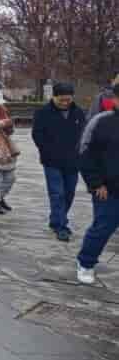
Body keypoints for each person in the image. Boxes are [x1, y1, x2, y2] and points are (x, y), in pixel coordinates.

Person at [76, 83, 119, 285]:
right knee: (103, 227)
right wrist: (96, 183)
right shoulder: (101, 122)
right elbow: (86, 154)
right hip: (107, 188)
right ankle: (86, 263)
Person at [32, 82, 86, 242]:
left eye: (67, 100)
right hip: (52, 161)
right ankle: (61, 226)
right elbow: (37, 135)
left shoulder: (78, 112)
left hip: (73, 161)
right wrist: (47, 151)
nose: (64, 103)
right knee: (57, 194)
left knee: (69, 193)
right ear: (54, 97)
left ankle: (56, 219)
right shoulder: (43, 113)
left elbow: (84, 134)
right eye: (61, 100)